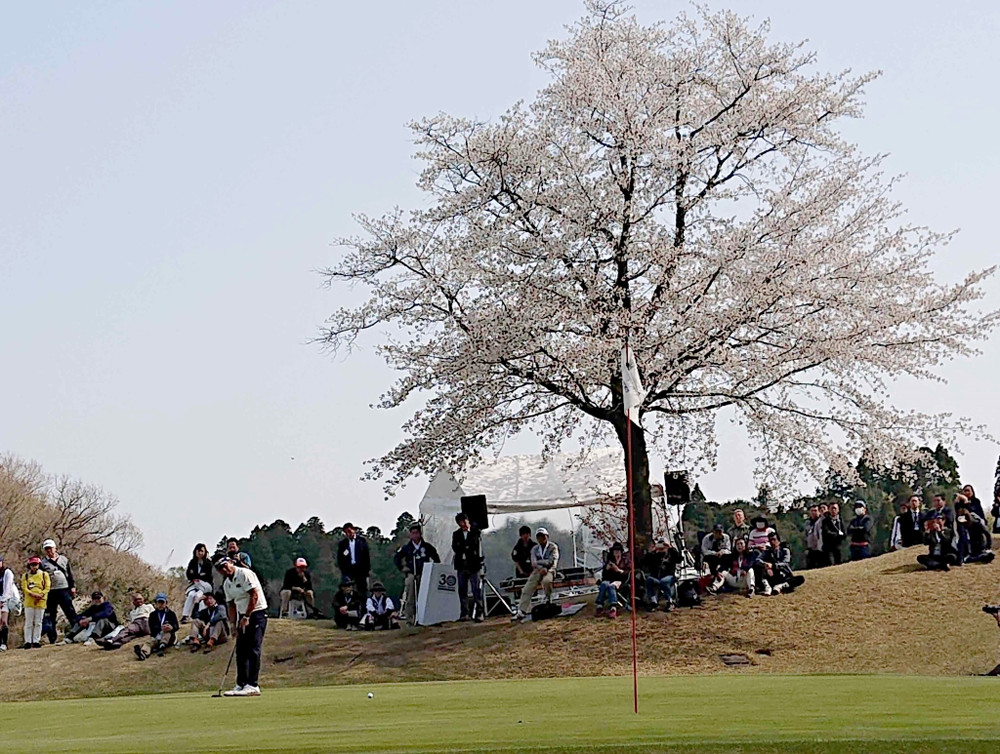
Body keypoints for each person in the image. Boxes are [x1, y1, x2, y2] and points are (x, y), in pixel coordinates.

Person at [217, 555, 268, 697]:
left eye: (225, 565)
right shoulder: (227, 583)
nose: (224, 569)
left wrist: (247, 617)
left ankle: (253, 685)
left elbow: (254, 595)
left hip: (257, 613)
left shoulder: (244, 574)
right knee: (241, 650)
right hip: (242, 615)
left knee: (253, 649)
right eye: (220, 568)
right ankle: (241, 684)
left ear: (231, 562)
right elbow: (231, 604)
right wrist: (233, 624)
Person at [393, 523, 441, 626]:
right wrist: (403, 568)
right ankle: (410, 620)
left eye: (417, 533)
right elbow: (397, 558)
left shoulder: (427, 546)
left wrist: (434, 569)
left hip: (425, 574)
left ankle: (427, 618)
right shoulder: (407, 548)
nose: (415, 535)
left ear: (420, 533)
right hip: (412, 574)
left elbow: (436, 558)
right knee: (411, 597)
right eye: (413, 533)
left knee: (425, 597)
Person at [514, 527, 559, 621]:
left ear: (547, 536)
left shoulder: (553, 547)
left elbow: (552, 561)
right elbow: (533, 562)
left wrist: (542, 564)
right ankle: (521, 610)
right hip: (538, 570)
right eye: (539, 537)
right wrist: (541, 566)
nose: (541, 539)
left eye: (543, 536)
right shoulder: (534, 549)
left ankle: (548, 600)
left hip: (550, 570)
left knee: (547, 581)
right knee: (527, 588)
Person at [40, 538, 76, 644]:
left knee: (70, 612)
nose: (49, 551)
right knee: (51, 615)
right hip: (51, 591)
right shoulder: (43, 563)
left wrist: (72, 586)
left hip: (64, 589)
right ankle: (52, 638)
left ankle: (77, 632)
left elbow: (70, 573)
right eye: (46, 549)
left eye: (50, 548)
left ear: (55, 548)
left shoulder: (64, 559)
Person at [451, 512, 485, 622]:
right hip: (461, 565)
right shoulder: (456, 534)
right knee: (462, 590)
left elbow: (475, 546)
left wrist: (466, 548)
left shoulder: (476, 532)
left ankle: (479, 612)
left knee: (476, 589)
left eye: (464, 521)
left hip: (473, 565)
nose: (463, 524)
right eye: (460, 522)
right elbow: (456, 547)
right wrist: (465, 548)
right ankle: (464, 613)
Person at [134, 593, 179, 660]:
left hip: (170, 636)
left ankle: (162, 647)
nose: (160, 605)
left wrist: (171, 627)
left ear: (166, 603)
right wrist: (160, 628)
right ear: (156, 603)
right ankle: (143, 653)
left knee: (167, 633)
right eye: (159, 603)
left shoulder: (171, 613)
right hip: (157, 636)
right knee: (150, 642)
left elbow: (176, 626)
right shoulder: (152, 615)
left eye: (162, 603)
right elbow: (151, 630)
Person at [337, 523, 371, 608]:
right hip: (348, 570)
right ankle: (347, 609)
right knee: (347, 590)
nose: (348, 534)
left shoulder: (362, 541)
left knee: (362, 591)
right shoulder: (343, 544)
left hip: (360, 570)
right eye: (346, 532)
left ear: (354, 530)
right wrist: (343, 570)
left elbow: (366, 557)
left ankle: (363, 610)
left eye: (349, 531)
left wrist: (366, 571)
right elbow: (340, 558)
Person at [641, 538, 681, 611]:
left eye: (663, 546)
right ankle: (654, 602)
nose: (662, 548)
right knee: (649, 580)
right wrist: (650, 552)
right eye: (660, 546)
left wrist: (671, 548)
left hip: (669, 576)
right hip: (657, 577)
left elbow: (679, 559)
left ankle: (670, 602)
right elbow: (644, 562)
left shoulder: (671, 554)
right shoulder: (655, 555)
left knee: (664, 581)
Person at [21, 556, 49, 649]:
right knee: (29, 622)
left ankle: (36, 640)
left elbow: (47, 587)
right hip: (29, 601)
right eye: (32, 565)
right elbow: (24, 588)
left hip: (41, 601)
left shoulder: (44, 575)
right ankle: (28, 641)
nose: (34, 567)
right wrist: (32, 594)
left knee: (38, 622)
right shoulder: (25, 576)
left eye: (36, 564)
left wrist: (41, 594)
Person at [955, 498, 995, 565]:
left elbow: (987, 533)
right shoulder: (960, 520)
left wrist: (988, 547)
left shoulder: (975, 520)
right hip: (968, 548)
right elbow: (962, 538)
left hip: (977, 546)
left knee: (986, 555)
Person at [181, 543, 213, 624]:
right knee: (191, 595)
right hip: (195, 584)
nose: (200, 553)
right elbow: (189, 574)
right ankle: (185, 616)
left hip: (205, 585)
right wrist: (197, 576)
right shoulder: (192, 562)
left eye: (202, 551)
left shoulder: (208, 563)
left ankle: (200, 615)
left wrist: (198, 576)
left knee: (198, 596)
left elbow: (208, 575)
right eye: (198, 551)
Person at [596, 543, 628, 618]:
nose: (616, 552)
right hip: (610, 579)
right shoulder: (610, 561)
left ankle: (613, 607)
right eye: (615, 551)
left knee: (611, 586)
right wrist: (607, 569)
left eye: (618, 550)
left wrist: (618, 570)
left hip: (621, 580)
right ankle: (599, 605)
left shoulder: (625, 561)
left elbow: (628, 573)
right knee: (604, 584)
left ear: (621, 551)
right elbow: (604, 575)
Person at [0, 554, 15, 651]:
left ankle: (4, 643)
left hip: (4, 599)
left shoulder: (7, 573)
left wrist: (2, 600)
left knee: (3, 621)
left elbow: (8, 588)